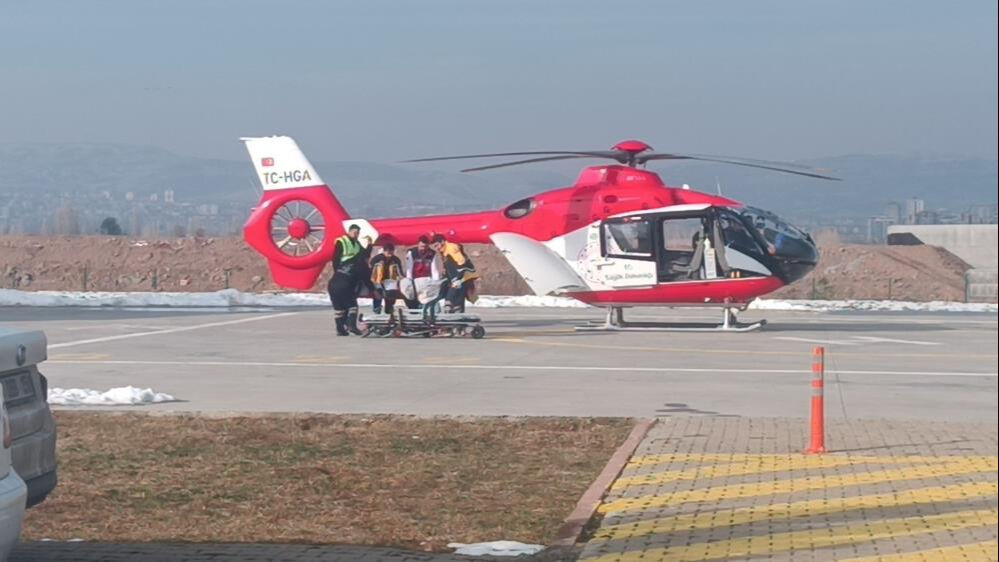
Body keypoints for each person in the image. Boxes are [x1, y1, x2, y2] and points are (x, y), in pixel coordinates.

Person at [327, 224, 365, 336]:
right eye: (355, 232)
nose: (356, 235)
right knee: (352, 305)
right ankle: (351, 326)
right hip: (344, 274)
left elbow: (363, 254)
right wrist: (338, 271)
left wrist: (370, 246)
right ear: (349, 231)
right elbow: (335, 258)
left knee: (340, 308)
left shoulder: (357, 244)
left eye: (358, 233)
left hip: (340, 279)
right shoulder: (341, 241)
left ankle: (340, 329)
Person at [431, 233, 479, 313]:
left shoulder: (451, 248)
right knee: (456, 297)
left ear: (442, 242)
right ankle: (456, 314)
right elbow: (450, 266)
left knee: (452, 296)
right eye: (435, 247)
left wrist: (457, 278)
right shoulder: (444, 251)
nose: (436, 248)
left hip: (463, 276)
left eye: (437, 245)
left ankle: (453, 312)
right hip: (456, 277)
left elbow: (461, 262)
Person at [404, 235, 440, 309]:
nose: (423, 248)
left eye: (425, 247)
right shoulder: (411, 253)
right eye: (421, 246)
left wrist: (435, 282)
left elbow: (434, 269)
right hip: (415, 280)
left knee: (427, 298)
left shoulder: (432, 253)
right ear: (418, 245)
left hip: (426, 280)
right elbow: (409, 267)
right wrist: (409, 281)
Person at [369, 242, 405, 315]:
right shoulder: (377, 259)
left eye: (391, 250)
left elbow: (400, 272)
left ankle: (389, 309)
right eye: (387, 251)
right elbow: (370, 269)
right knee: (378, 291)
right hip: (378, 280)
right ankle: (377, 308)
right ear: (384, 251)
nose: (389, 252)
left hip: (390, 279)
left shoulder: (396, 260)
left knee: (391, 292)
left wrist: (402, 280)